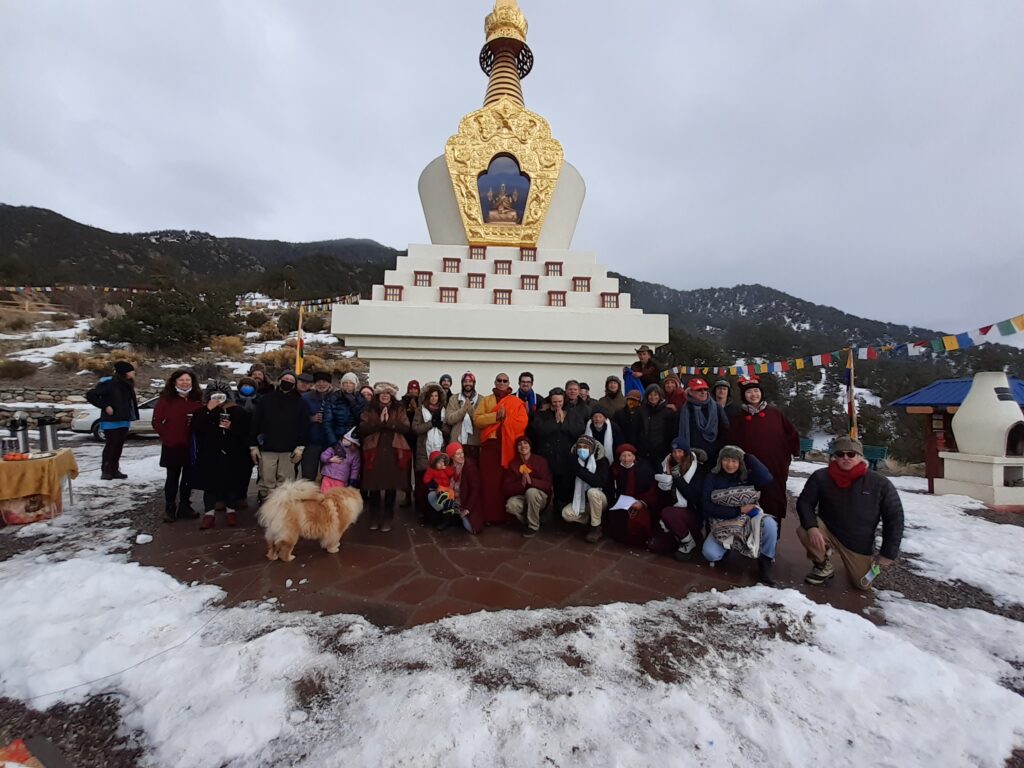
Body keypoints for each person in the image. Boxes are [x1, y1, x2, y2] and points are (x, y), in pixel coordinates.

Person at [796, 437, 904, 589]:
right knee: (804, 530)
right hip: (829, 530)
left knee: (862, 585)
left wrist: (888, 553)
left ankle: (859, 563)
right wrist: (812, 527)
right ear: (835, 457)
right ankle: (822, 566)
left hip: (858, 543)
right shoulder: (821, 476)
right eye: (840, 454)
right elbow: (805, 503)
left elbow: (895, 518)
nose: (845, 458)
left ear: (860, 456)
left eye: (851, 454)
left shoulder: (880, 483)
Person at [724, 375, 799, 533]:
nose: (753, 395)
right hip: (749, 470)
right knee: (750, 502)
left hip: (775, 467)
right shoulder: (739, 418)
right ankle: (749, 537)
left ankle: (771, 541)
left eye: (756, 391)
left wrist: (791, 453)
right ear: (744, 395)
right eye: (749, 392)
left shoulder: (775, 414)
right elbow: (731, 443)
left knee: (773, 501)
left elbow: (791, 434)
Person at [701, 445, 778, 585]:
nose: (730, 464)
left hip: (747, 521)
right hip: (722, 523)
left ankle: (765, 562)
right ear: (720, 460)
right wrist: (738, 510)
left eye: (735, 461)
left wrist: (748, 457)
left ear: (740, 462)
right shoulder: (712, 477)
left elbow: (767, 478)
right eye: (726, 459)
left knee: (770, 525)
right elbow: (706, 506)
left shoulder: (747, 476)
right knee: (710, 554)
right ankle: (727, 547)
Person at [192, 383, 252, 529]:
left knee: (231, 484)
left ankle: (231, 511)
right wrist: (208, 411)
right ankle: (209, 514)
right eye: (215, 395)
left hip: (232, 453)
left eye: (221, 395)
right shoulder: (201, 411)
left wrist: (231, 427)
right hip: (210, 453)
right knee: (210, 485)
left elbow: (245, 432)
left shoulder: (238, 411)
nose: (219, 398)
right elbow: (196, 428)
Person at [474, 372, 529, 525]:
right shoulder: (486, 400)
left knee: (505, 481)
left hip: (509, 446)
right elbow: (477, 420)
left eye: (505, 380)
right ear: (495, 381)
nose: (502, 382)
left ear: (509, 383)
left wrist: (507, 421)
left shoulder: (516, 402)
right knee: (489, 482)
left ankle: (507, 517)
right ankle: (489, 517)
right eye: (499, 380)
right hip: (490, 447)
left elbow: (522, 422)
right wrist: (496, 417)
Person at [359, 382, 413, 531]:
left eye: (387, 393)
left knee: (391, 485)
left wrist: (388, 422)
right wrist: (379, 422)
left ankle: (388, 517)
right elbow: (363, 428)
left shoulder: (399, 409)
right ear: (377, 395)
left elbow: (405, 427)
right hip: (374, 451)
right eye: (382, 393)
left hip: (394, 451)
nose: (384, 396)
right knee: (374, 486)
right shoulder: (370, 408)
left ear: (391, 395)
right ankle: (374, 517)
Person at [152, 369, 203, 522]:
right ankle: (170, 507)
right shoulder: (166, 399)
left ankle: (185, 506)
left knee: (188, 478)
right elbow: (156, 422)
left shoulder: (197, 400)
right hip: (172, 445)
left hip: (191, 446)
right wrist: (168, 437)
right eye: (181, 380)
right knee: (172, 478)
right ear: (174, 382)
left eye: (188, 380)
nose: (185, 383)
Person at [250, 371, 308, 503]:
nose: (287, 381)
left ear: (294, 384)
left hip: (289, 449)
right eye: (285, 378)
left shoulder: (300, 403)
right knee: (266, 480)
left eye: (291, 380)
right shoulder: (266, 399)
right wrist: (253, 445)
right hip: (267, 447)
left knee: (285, 483)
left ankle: (282, 510)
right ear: (279, 380)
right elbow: (255, 423)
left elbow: (304, 426)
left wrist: (300, 446)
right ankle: (266, 507)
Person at [649, 437, 707, 561]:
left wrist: (677, 478)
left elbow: (693, 496)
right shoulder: (666, 465)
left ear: (685, 452)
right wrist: (665, 482)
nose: (677, 455)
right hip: (673, 510)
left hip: (692, 512)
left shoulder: (697, 469)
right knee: (656, 545)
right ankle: (678, 535)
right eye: (674, 452)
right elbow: (662, 496)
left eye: (680, 451)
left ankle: (689, 542)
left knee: (668, 513)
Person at [529, 387, 583, 513]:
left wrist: (563, 423)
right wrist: (555, 422)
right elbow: (538, 431)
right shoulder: (543, 413)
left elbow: (578, 431)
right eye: (555, 402)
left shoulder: (572, 413)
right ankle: (541, 510)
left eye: (560, 402)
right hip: (547, 455)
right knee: (544, 484)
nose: (557, 405)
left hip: (565, 456)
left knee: (563, 487)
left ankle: (561, 510)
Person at [86, 360, 139, 480]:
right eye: (131, 371)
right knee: (111, 445)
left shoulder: (127, 384)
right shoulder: (110, 383)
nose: (134, 373)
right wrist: (105, 406)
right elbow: (91, 395)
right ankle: (106, 470)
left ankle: (114, 470)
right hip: (111, 420)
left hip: (124, 419)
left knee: (118, 446)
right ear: (124, 372)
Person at [604, 443, 659, 547]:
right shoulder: (615, 469)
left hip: (640, 501)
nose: (626, 459)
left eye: (629, 455)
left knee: (639, 519)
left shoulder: (644, 469)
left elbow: (652, 490)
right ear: (619, 457)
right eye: (623, 456)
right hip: (621, 501)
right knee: (616, 516)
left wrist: (642, 503)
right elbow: (610, 488)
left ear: (634, 457)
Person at [412, 382, 451, 520]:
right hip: (424, 451)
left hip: (439, 450)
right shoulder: (420, 410)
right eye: (432, 396)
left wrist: (440, 426)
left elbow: (448, 431)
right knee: (423, 483)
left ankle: (436, 513)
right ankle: (421, 511)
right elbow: (416, 429)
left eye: (436, 396)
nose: (434, 398)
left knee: (439, 483)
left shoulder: (444, 410)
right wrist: (430, 424)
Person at [502, 435, 553, 537]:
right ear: (517, 448)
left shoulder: (540, 461)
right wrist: (521, 483)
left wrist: (532, 482)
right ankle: (529, 519)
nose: (523, 446)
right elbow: (507, 489)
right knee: (511, 505)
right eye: (520, 444)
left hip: (539, 497)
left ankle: (533, 527)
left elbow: (548, 484)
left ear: (530, 446)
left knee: (531, 492)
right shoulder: (513, 465)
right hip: (523, 497)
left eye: (525, 443)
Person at [562, 435, 609, 543]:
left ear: (591, 448)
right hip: (583, 503)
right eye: (580, 446)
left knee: (592, 492)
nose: (582, 449)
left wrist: (579, 470)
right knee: (566, 514)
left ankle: (596, 526)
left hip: (600, 499)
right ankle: (590, 518)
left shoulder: (602, 461)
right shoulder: (574, 461)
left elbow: (598, 482)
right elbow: (567, 483)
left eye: (586, 446)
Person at [677, 377, 730, 463]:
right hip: (693, 456)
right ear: (690, 392)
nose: (703, 392)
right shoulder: (684, 410)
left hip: (714, 455)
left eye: (705, 389)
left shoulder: (716, 407)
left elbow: (725, 429)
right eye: (699, 390)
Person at [438, 442, 484, 534]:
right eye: (458, 454)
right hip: (452, 499)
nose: (461, 456)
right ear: (452, 456)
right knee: (432, 496)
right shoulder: (448, 467)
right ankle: (448, 518)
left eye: (462, 452)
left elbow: (475, 490)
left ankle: (457, 517)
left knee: (470, 528)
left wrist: (468, 508)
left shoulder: (470, 467)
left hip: (465, 502)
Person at [300, 372, 336, 481]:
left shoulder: (336, 398)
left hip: (330, 443)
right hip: (311, 442)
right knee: (308, 475)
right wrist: (311, 419)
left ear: (329, 384)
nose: (321, 384)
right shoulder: (305, 398)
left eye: (324, 382)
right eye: (318, 382)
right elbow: (298, 418)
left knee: (329, 476)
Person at [636, 383, 675, 466]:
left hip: (661, 451)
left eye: (655, 394)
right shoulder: (641, 410)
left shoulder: (667, 411)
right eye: (650, 395)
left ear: (660, 396)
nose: (653, 397)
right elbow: (637, 430)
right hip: (643, 451)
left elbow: (670, 432)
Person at [446, 372, 481, 458]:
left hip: (474, 444)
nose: (467, 383)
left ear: (474, 383)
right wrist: (463, 410)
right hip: (457, 443)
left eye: (470, 381)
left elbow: (480, 421)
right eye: (465, 381)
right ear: (462, 383)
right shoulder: (454, 399)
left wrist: (470, 410)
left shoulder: (481, 399)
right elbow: (449, 419)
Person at [319, 427, 361, 493]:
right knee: (324, 495)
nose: (345, 440)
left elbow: (355, 468)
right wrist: (330, 459)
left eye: (348, 440)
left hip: (341, 480)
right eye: (344, 439)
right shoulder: (335, 447)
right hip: (328, 477)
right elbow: (323, 456)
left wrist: (353, 479)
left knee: (338, 497)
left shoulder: (355, 453)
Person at [422, 450, 456, 528]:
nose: (441, 464)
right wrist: (434, 485)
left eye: (443, 462)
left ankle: (448, 508)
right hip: (438, 488)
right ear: (434, 464)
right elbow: (426, 480)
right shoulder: (431, 470)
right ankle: (442, 497)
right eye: (439, 463)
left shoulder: (445, 469)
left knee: (451, 493)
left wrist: (445, 468)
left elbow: (451, 473)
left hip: (447, 488)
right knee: (440, 488)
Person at [331, 371, 365, 441]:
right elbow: (328, 421)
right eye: (345, 382)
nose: (348, 385)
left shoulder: (361, 399)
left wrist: (353, 403)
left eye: (351, 383)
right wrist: (333, 442)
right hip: (336, 436)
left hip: (353, 438)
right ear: (342, 384)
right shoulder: (334, 397)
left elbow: (361, 418)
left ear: (355, 385)